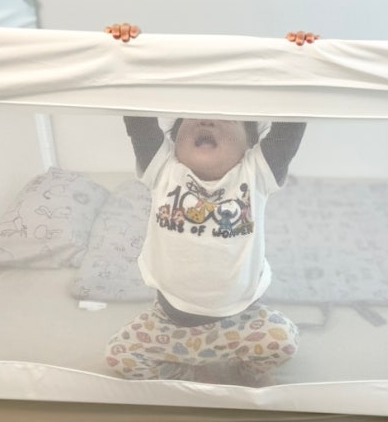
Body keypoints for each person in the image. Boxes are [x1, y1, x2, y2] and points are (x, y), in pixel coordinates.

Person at [104, 24, 319, 385]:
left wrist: (300, 64)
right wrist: (127, 56)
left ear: (249, 148)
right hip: (169, 323)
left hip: (238, 320)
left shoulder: (255, 174)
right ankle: (182, 369)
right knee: (118, 357)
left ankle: (243, 367)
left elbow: (288, 130)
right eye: (192, 119)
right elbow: (138, 120)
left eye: (224, 118)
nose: (205, 119)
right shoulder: (164, 168)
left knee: (284, 342)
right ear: (174, 144)